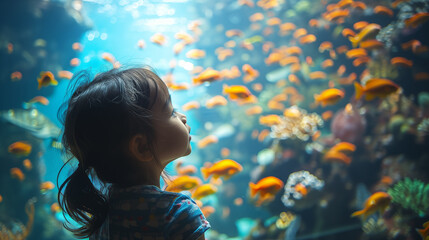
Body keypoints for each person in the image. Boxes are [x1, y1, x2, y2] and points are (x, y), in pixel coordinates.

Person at [57, 67, 210, 240]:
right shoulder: (178, 214)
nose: (183, 117)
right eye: (171, 112)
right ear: (142, 147)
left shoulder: (102, 218)